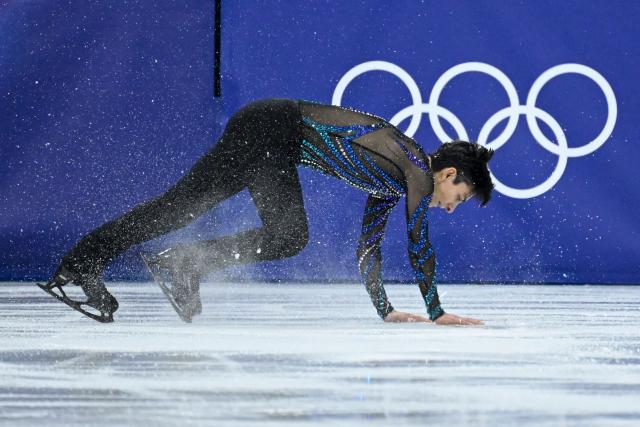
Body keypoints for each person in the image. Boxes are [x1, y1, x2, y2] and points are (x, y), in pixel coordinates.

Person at [39, 98, 494, 324]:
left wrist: (386, 310)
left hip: (269, 133)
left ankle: (88, 263)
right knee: (288, 235)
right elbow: (419, 245)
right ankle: (178, 262)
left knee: (175, 210)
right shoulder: (414, 167)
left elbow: (368, 249)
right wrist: (436, 312)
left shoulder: (395, 182)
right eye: (461, 197)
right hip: (273, 129)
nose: (453, 208)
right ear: (449, 174)